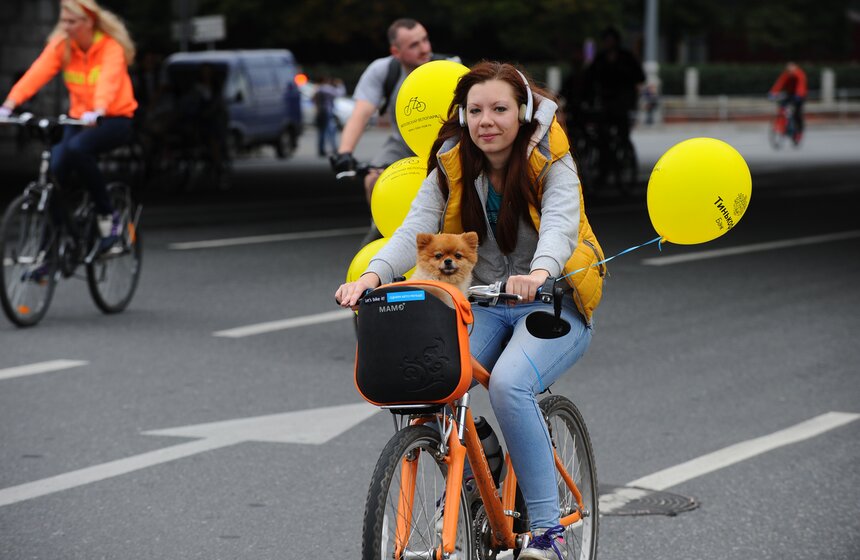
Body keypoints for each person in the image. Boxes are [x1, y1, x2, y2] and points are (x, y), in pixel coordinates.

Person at [336, 61, 605, 560]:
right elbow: (411, 227)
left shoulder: (552, 157)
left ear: (522, 113)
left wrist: (541, 273)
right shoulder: (452, 161)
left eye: (500, 109)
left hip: (552, 301)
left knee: (508, 384)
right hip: (481, 302)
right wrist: (371, 277)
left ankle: (548, 532)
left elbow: (562, 227)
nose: (487, 120)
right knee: (431, 377)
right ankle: (486, 458)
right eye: (475, 110)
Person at [0, 0, 137, 249]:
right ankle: (50, 248)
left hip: (113, 118)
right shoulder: (63, 46)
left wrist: (98, 109)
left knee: (78, 149)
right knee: (55, 168)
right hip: (78, 117)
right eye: (63, 21)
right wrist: (8, 105)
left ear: (89, 22)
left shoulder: (110, 48)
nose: (66, 26)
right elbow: (36, 74)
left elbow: (108, 80)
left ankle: (108, 215)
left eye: (72, 22)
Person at [330, 18, 452, 244]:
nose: (425, 48)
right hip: (403, 143)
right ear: (395, 51)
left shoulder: (448, 67)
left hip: (446, 143)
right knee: (373, 179)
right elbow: (361, 112)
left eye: (425, 40)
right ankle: (383, 232)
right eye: (414, 45)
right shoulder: (383, 71)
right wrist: (344, 152)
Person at [581, 26, 645, 176]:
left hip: (623, 102)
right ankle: (604, 167)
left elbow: (640, 76)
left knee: (621, 131)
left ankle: (623, 157)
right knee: (601, 134)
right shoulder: (601, 59)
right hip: (605, 102)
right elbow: (589, 78)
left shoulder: (626, 57)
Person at [769, 62, 807, 143]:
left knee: (797, 114)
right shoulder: (786, 74)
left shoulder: (799, 74)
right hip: (789, 94)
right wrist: (773, 93)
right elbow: (779, 83)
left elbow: (801, 85)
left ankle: (798, 132)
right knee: (782, 107)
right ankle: (782, 126)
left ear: (795, 67)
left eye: (791, 69)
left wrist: (799, 95)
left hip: (799, 96)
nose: (789, 71)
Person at [313, 76, 346, 157]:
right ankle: (335, 148)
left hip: (320, 112)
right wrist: (340, 85)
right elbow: (340, 93)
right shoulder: (327, 88)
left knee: (321, 131)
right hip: (327, 111)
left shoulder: (317, 89)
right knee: (331, 131)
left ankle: (321, 149)